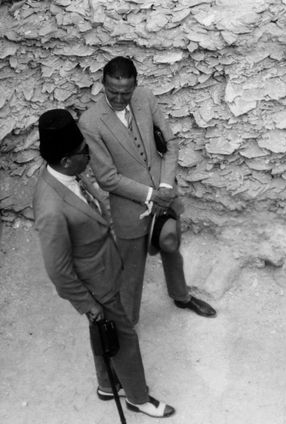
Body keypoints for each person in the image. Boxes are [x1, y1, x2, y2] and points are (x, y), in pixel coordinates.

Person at [33, 109, 175, 418]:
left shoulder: (67, 173)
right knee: (124, 337)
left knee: (103, 331)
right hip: (97, 284)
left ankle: (108, 384)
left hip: (105, 267)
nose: (90, 155)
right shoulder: (51, 208)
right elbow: (58, 270)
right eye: (84, 151)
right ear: (67, 159)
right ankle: (138, 397)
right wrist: (88, 304)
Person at [79, 56, 215, 325]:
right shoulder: (90, 122)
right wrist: (153, 196)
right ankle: (128, 325)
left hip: (165, 193)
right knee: (131, 270)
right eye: (112, 92)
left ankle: (181, 295)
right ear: (103, 84)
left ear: (136, 85)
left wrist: (165, 186)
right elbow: (107, 179)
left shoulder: (146, 98)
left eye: (126, 92)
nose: (119, 98)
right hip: (131, 208)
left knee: (171, 244)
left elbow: (171, 145)